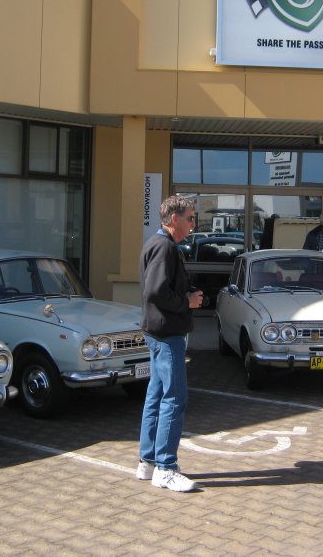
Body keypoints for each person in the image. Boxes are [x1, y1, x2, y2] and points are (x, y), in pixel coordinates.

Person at [136, 195, 204, 491]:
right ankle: (166, 466)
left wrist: (186, 294)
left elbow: (159, 288)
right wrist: (186, 301)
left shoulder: (159, 244)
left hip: (158, 332)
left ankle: (147, 463)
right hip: (167, 335)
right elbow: (156, 292)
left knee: (157, 395)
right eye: (190, 217)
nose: (193, 223)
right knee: (175, 399)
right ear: (173, 218)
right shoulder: (164, 246)